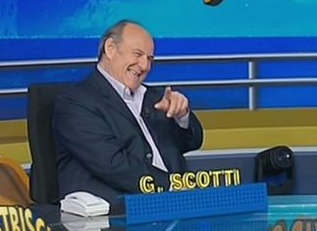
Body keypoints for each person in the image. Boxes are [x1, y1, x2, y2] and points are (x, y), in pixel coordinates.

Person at [54, 20, 204, 207]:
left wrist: (182, 115)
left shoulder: (155, 98)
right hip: (120, 211)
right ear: (110, 48)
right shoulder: (76, 102)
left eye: (150, 59)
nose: (145, 65)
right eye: (138, 54)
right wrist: (174, 187)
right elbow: (112, 164)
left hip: (177, 205)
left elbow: (192, 142)